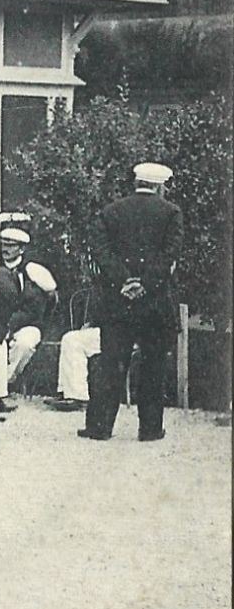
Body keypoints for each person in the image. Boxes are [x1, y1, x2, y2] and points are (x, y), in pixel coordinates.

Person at [82, 162, 183, 443]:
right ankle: (150, 430)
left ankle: (100, 427)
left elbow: (100, 251)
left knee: (111, 365)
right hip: (155, 304)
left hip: (118, 301)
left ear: (136, 183)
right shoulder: (171, 213)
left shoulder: (110, 211)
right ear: (160, 186)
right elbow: (169, 255)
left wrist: (124, 281)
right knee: (153, 367)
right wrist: (145, 284)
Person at [0, 226, 56, 419]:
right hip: (0, 324)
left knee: (24, 343)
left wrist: (10, 327)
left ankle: (1, 388)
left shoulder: (33, 273)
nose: (6, 249)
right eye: (4, 245)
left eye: (12, 246)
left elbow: (34, 309)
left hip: (28, 325)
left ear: (21, 249)